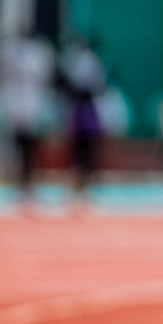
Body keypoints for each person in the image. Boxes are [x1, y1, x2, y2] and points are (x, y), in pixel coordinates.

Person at [0, 29, 56, 216]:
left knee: (32, 152)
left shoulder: (39, 55)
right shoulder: (11, 54)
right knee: (17, 151)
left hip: (33, 109)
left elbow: (45, 81)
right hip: (16, 109)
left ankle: (31, 189)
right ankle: (19, 189)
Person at [58, 34, 107, 216]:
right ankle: (76, 192)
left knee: (87, 154)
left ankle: (86, 193)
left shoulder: (91, 61)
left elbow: (97, 86)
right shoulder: (72, 60)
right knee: (76, 154)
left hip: (87, 111)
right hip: (76, 112)